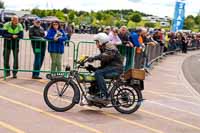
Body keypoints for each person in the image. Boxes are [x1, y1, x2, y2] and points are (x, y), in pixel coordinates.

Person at [87, 33, 123, 103]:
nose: (96, 43)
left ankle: (105, 96)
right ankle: (96, 94)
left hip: (116, 68)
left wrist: (94, 58)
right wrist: (94, 68)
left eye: (97, 41)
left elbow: (105, 56)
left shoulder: (110, 47)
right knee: (97, 72)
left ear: (101, 41)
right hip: (112, 67)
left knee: (98, 73)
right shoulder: (104, 47)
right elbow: (104, 63)